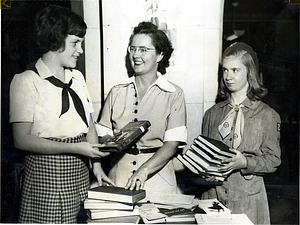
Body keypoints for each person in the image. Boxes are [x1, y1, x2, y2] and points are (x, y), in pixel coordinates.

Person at [9, 5, 113, 223]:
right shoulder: (26, 81)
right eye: (75, 43)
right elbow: (21, 139)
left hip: (81, 175)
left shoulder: (78, 78)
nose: (81, 50)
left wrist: (96, 166)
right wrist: (75, 148)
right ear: (55, 40)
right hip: (46, 178)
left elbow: (89, 126)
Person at [95, 21, 187, 198]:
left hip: (158, 180)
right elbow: (102, 134)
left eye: (143, 50)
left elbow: (172, 144)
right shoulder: (116, 92)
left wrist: (144, 170)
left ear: (160, 55)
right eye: (133, 49)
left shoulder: (173, 94)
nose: (136, 55)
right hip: (118, 178)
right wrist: (113, 141)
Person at [201, 42, 281, 224]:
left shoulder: (267, 115)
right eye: (225, 70)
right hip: (212, 199)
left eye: (235, 70)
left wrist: (245, 162)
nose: (228, 76)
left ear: (249, 72)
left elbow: (273, 161)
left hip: (248, 202)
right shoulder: (212, 114)